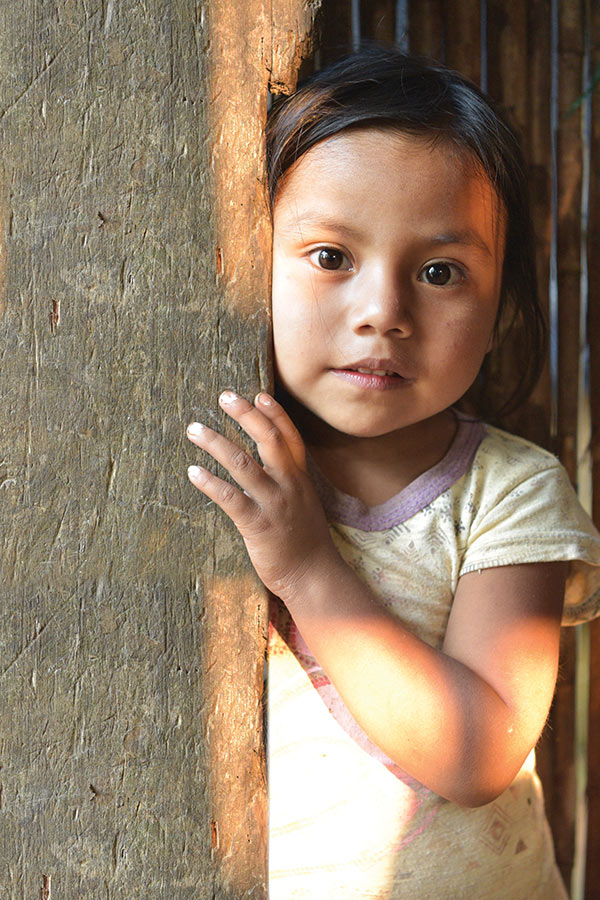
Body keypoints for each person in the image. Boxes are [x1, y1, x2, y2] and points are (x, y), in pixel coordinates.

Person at [186, 46, 600, 899]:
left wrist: (306, 567)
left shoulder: (511, 493)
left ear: (499, 312)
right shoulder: (221, 468)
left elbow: (480, 752)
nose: (383, 313)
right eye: (331, 257)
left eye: (440, 272)